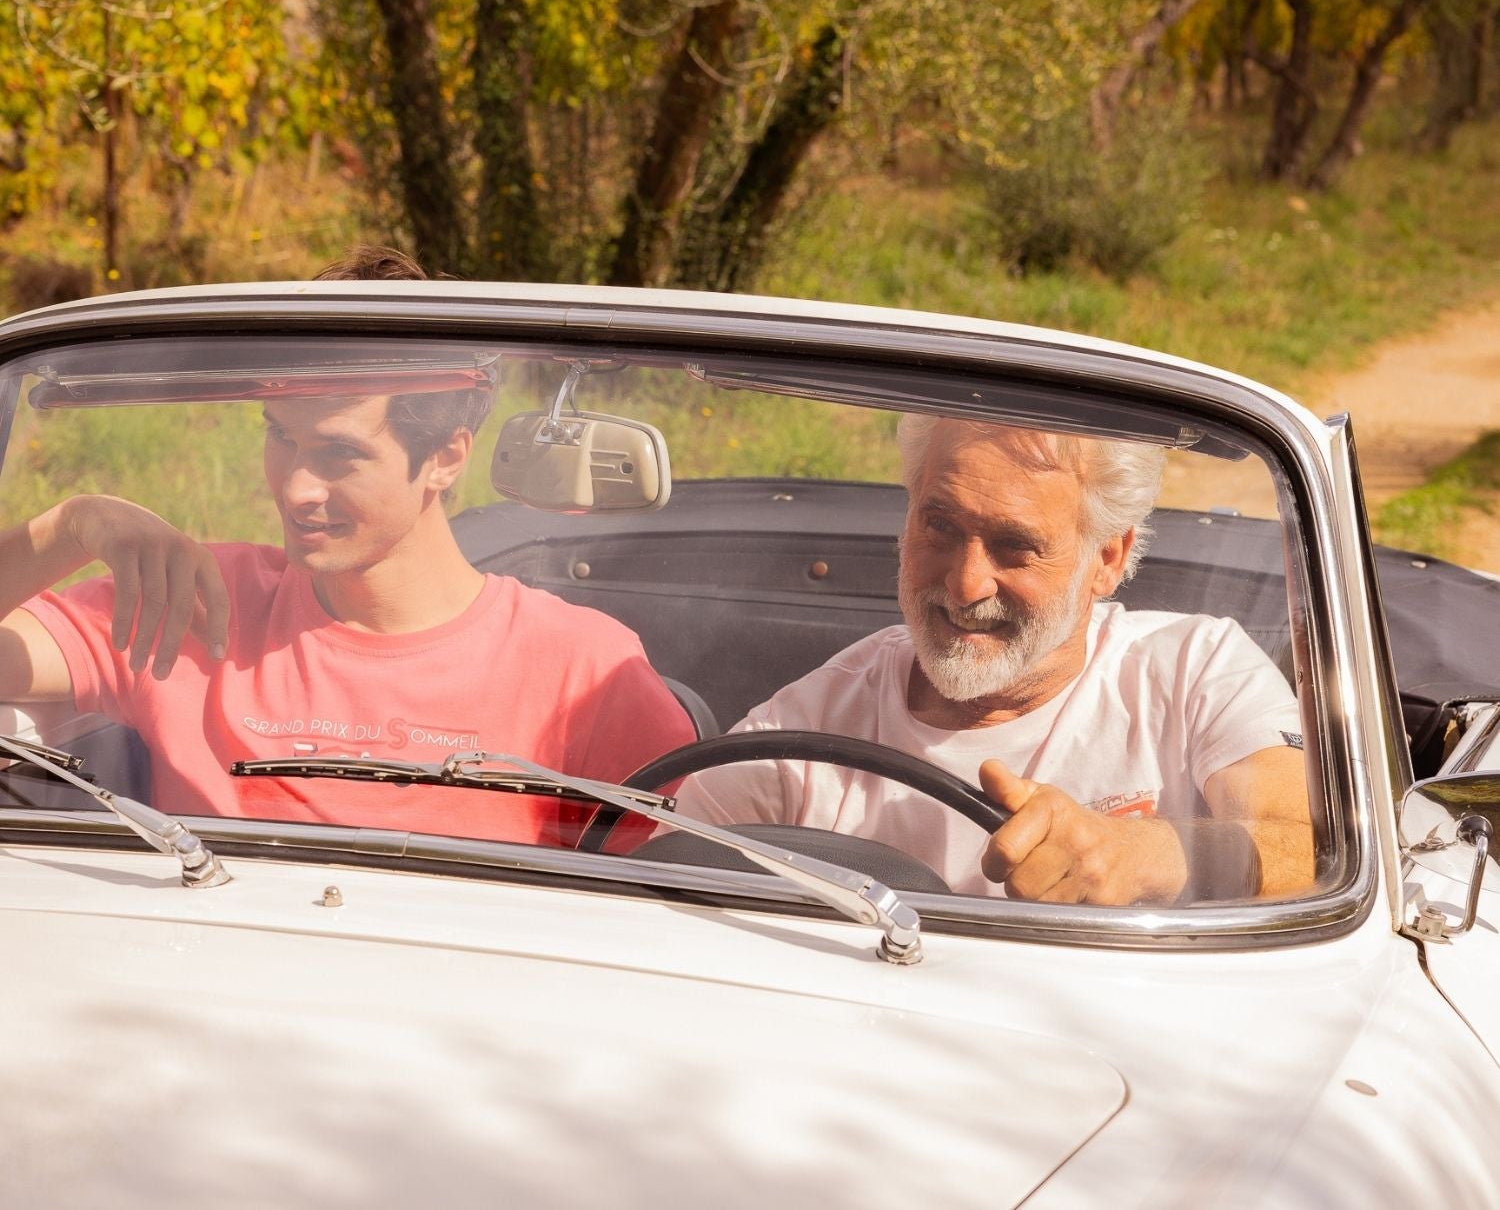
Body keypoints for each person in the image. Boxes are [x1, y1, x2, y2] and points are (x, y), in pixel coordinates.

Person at [0, 247, 695, 845]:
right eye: (281, 437)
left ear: (447, 458)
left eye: (338, 453)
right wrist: (70, 526)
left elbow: (676, 909)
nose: (296, 487)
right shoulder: (195, 601)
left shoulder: (585, 672)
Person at [675, 416, 1314, 904]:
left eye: (1016, 547)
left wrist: (1142, 853)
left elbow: (1317, 851)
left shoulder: (1195, 669)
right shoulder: (794, 738)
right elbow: (655, 903)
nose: (965, 584)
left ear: (1107, 560)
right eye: (940, 528)